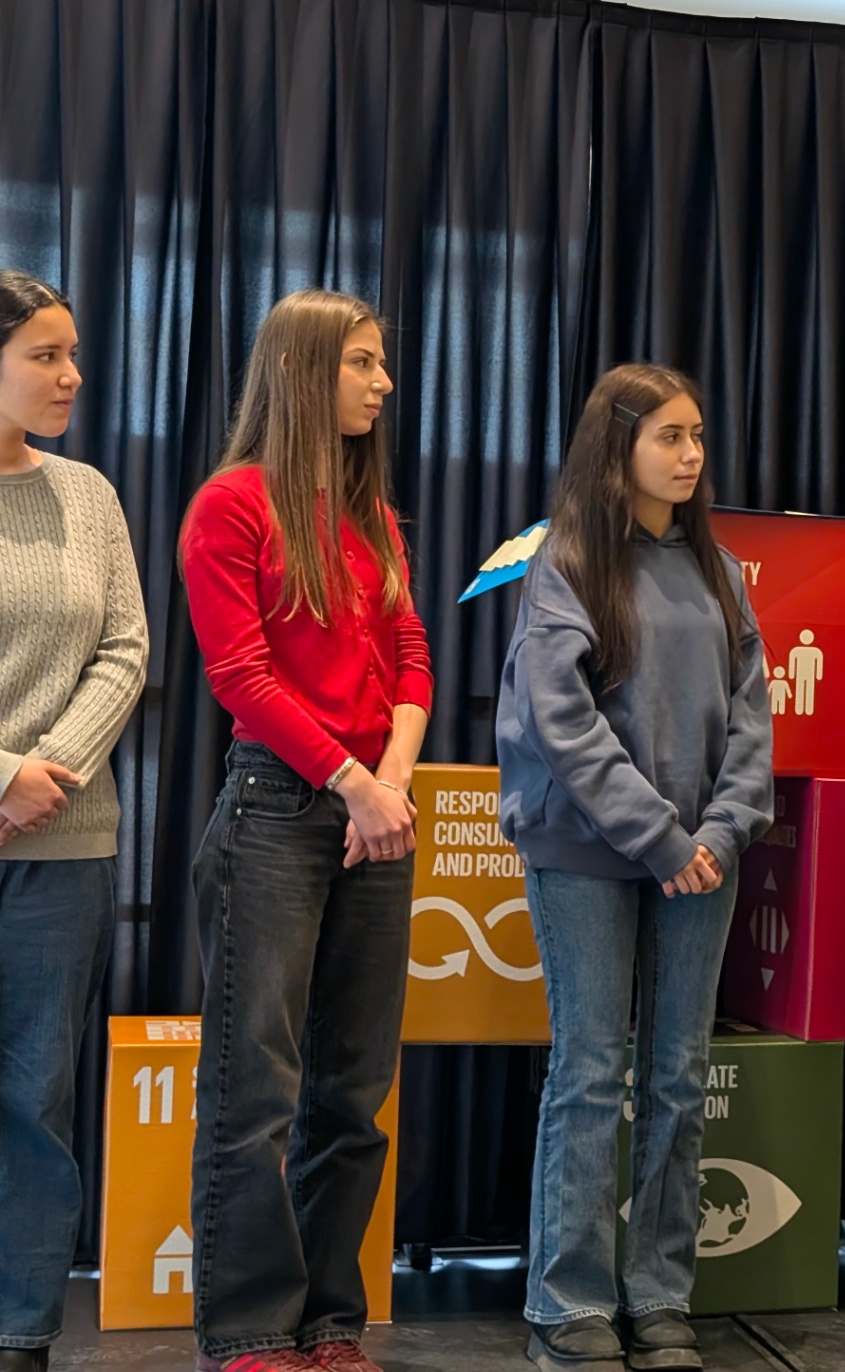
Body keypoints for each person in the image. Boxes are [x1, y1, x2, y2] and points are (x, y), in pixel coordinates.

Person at [496, 363, 773, 1372]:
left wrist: (723, 830)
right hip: (590, 852)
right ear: (618, 449)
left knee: (678, 1075)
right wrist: (662, 837)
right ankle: (567, 1303)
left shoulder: (722, 572)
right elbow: (560, 722)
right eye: (669, 437)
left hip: (706, 855)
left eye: (698, 435)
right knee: (590, 1071)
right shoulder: (564, 563)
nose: (691, 455)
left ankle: (659, 1291)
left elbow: (753, 716)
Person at [180, 290, 431, 1372]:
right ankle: (248, 1330)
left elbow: (414, 657)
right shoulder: (230, 506)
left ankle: (332, 1321)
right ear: (302, 371)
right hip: (280, 814)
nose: (382, 384)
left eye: (383, 366)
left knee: (355, 1091)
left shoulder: (372, 518)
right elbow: (241, 674)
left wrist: (390, 783)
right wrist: (349, 782)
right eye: (364, 363)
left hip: (376, 812)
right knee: (255, 1091)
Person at [0, 272, 148, 1372]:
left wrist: (47, 771)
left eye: (74, 353)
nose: (71, 377)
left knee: (35, 1099)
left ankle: (22, 1333)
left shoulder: (90, 494)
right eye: (46, 354)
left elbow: (128, 649)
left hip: (67, 843)